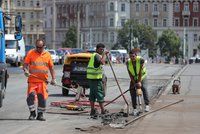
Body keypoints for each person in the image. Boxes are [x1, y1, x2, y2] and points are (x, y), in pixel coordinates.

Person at [23, 39, 56, 121]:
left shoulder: (47, 55)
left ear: (44, 46)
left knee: (42, 98)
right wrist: (26, 71)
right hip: (32, 81)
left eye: (40, 47)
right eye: (37, 47)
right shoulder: (31, 53)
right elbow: (25, 64)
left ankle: (40, 114)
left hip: (42, 81)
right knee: (30, 96)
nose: (38, 49)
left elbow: (51, 68)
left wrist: (53, 79)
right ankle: (32, 113)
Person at [86, 43, 109, 117]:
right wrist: (105, 54)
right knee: (99, 94)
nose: (102, 51)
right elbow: (102, 62)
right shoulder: (96, 56)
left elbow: (104, 62)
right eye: (101, 49)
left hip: (91, 78)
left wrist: (104, 55)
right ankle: (103, 110)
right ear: (97, 49)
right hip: (96, 79)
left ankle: (92, 110)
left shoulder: (94, 55)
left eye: (103, 49)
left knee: (92, 94)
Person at [126, 48, 150, 116]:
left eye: (133, 56)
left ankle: (147, 105)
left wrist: (139, 82)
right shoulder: (128, 62)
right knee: (132, 90)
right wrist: (134, 83)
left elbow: (140, 72)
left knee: (144, 88)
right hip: (134, 77)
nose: (132, 58)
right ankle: (134, 108)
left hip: (142, 76)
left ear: (136, 55)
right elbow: (130, 73)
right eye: (130, 56)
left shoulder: (141, 60)